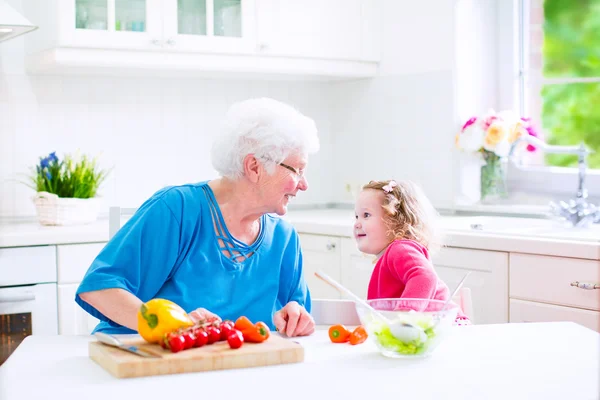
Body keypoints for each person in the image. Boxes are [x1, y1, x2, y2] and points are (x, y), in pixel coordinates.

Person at [76, 97, 320, 337]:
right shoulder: (176, 209)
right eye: (297, 170)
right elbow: (99, 288)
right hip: (147, 364)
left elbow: (297, 314)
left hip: (232, 370)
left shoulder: (284, 238)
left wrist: (295, 318)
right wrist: (173, 326)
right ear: (254, 167)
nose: (304, 184)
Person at [353, 179, 471, 325]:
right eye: (356, 216)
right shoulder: (392, 254)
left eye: (366, 215)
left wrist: (406, 315)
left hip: (446, 327)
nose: (357, 223)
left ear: (395, 220)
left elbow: (425, 277)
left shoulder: (399, 249)